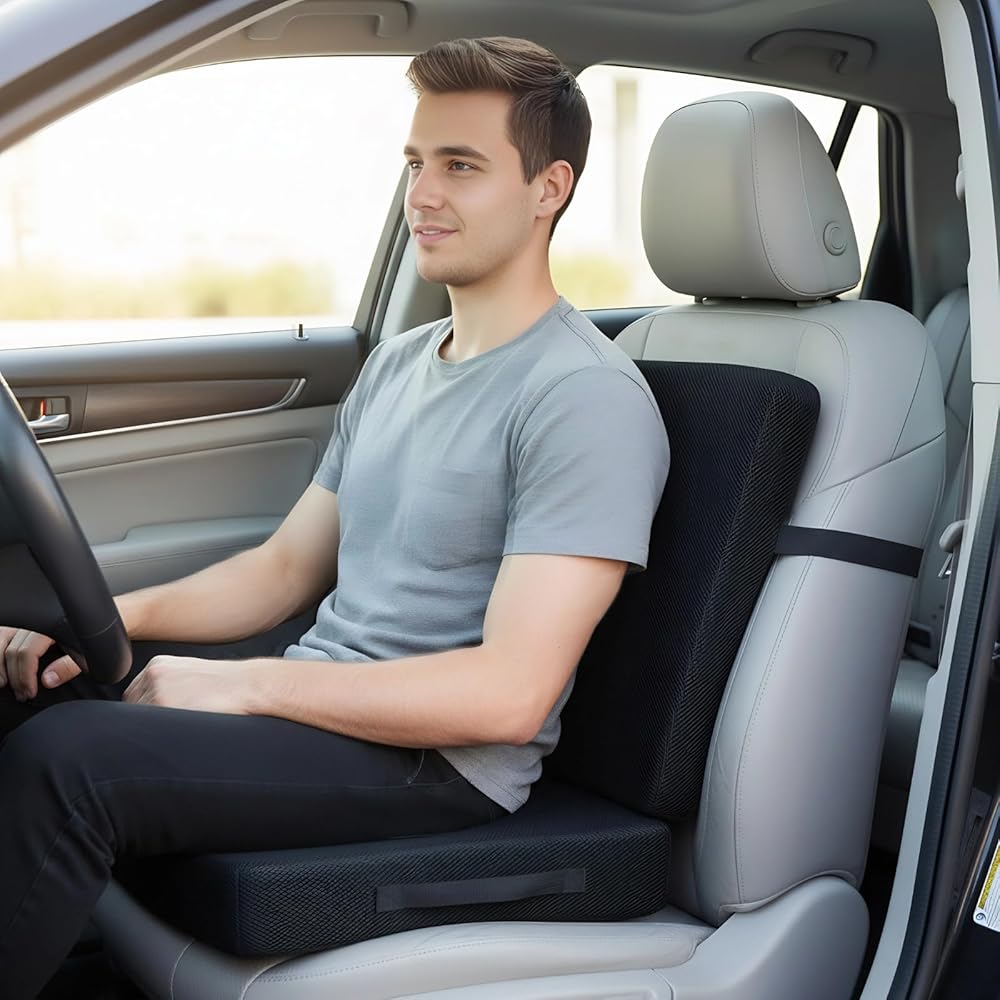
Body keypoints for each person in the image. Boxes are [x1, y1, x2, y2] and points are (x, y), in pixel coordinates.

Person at [0, 36, 669, 999]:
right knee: (28, 692)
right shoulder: (399, 364)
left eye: (462, 166)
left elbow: (508, 696)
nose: (422, 194)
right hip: (334, 709)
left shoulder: (583, 398)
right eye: (415, 162)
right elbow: (280, 573)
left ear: (548, 189)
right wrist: (98, 624)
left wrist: (248, 687)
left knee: (68, 765)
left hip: (438, 764)